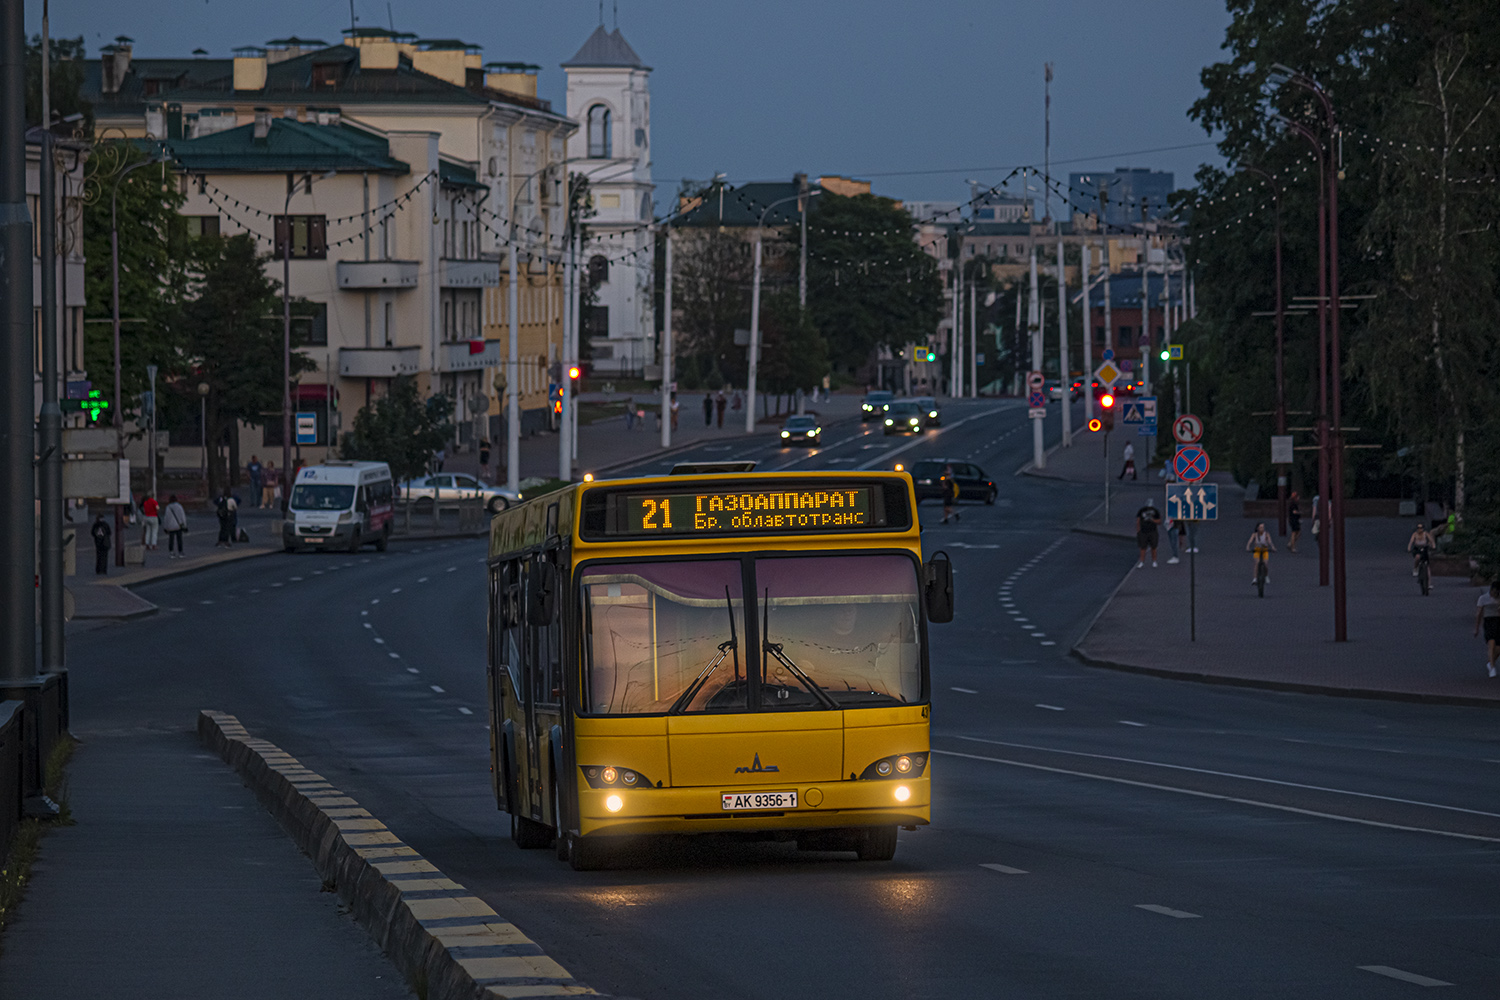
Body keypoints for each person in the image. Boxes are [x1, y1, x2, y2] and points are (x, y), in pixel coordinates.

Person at [1475, 581, 1500, 678]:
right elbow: (1478, 613)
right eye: (1495, 592)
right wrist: (1476, 628)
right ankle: (1492, 668)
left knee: (1498, 647)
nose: (1496, 594)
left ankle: (1490, 662)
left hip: (1498, 621)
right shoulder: (1483, 598)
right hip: (1489, 621)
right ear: (1491, 590)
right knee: (1491, 643)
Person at [1135, 500, 1162, 568]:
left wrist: (1152, 520)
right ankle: (1141, 561)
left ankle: (1154, 561)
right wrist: (1138, 531)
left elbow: (1159, 521)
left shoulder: (1155, 511)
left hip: (1152, 531)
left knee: (1154, 547)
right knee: (1143, 547)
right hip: (1143, 531)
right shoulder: (1141, 510)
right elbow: (1138, 520)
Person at [161, 494, 187, 558]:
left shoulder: (168, 507)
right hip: (178, 525)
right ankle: (180, 552)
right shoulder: (179, 506)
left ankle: (171, 552)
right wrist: (184, 525)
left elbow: (166, 518)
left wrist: (165, 527)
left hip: (171, 526)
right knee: (179, 539)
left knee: (171, 539)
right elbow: (182, 517)